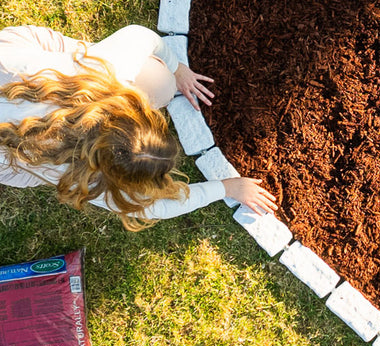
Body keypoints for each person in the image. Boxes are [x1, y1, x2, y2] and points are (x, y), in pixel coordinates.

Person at [0, 24, 277, 230]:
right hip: (8, 147)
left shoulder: (104, 69)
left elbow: (144, 37)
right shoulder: (89, 182)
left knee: (163, 83)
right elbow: (162, 206)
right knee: (23, 164)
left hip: (13, 69)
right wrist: (227, 188)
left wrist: (177, 69)